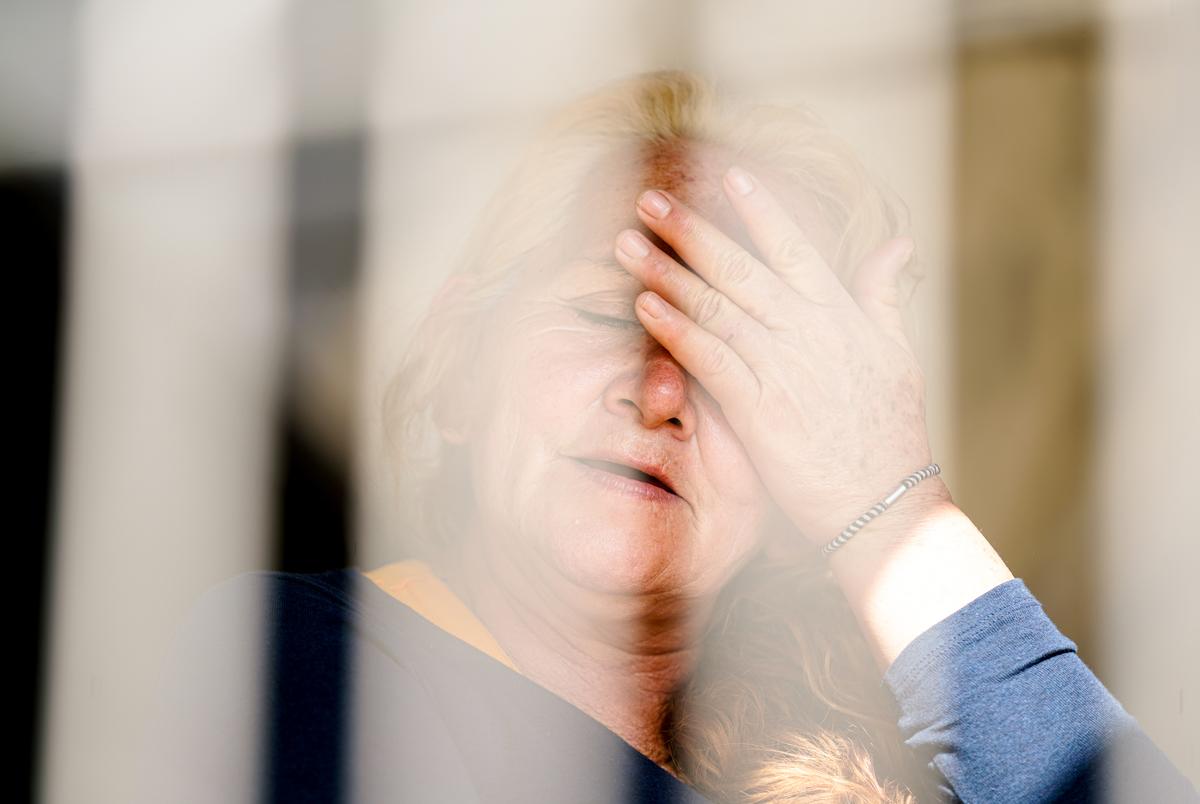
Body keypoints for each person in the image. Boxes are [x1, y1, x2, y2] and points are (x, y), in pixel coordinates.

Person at [137, 70, 1198, 803]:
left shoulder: (883, 756)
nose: (658, 397)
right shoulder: (305, 666)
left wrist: (896, 513)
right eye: (609, 314)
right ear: (459, 369)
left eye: (742, 369)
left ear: (800, 504)